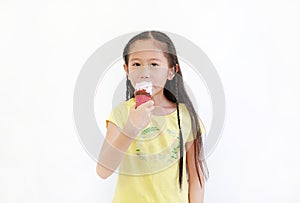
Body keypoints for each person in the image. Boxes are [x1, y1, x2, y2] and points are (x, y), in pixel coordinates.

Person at [96, 30, 209, 203]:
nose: (145, 73)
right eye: (136, 64)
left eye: (154, 64)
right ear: (126, 69)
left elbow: (196, 179)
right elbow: (103, 171)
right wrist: (131, 128)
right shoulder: (121, 114)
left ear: (172, 71)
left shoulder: (186, 117)